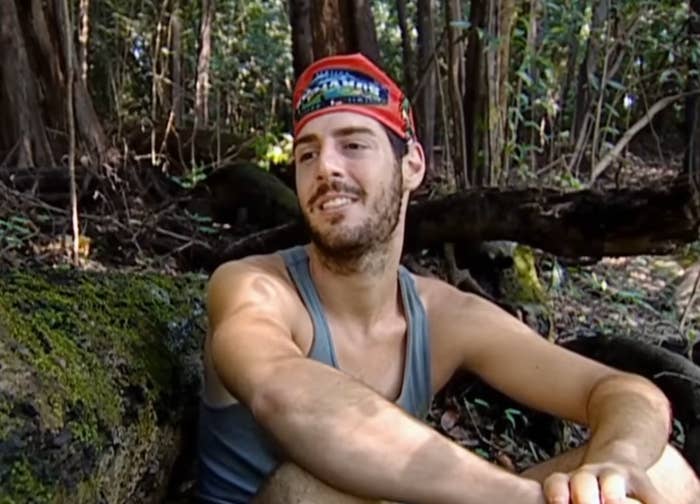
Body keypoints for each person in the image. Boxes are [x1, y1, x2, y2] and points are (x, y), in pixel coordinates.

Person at [197, 53, 700, 504]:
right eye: (307, 153)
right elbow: (285, 393)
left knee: (663, 472)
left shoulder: (444, 316)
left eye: (353, 144)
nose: (326, 166)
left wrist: (617, 461)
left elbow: (623, 391)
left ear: (412, 165)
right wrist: (521, 499)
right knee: (304, 493)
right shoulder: (252, 287)